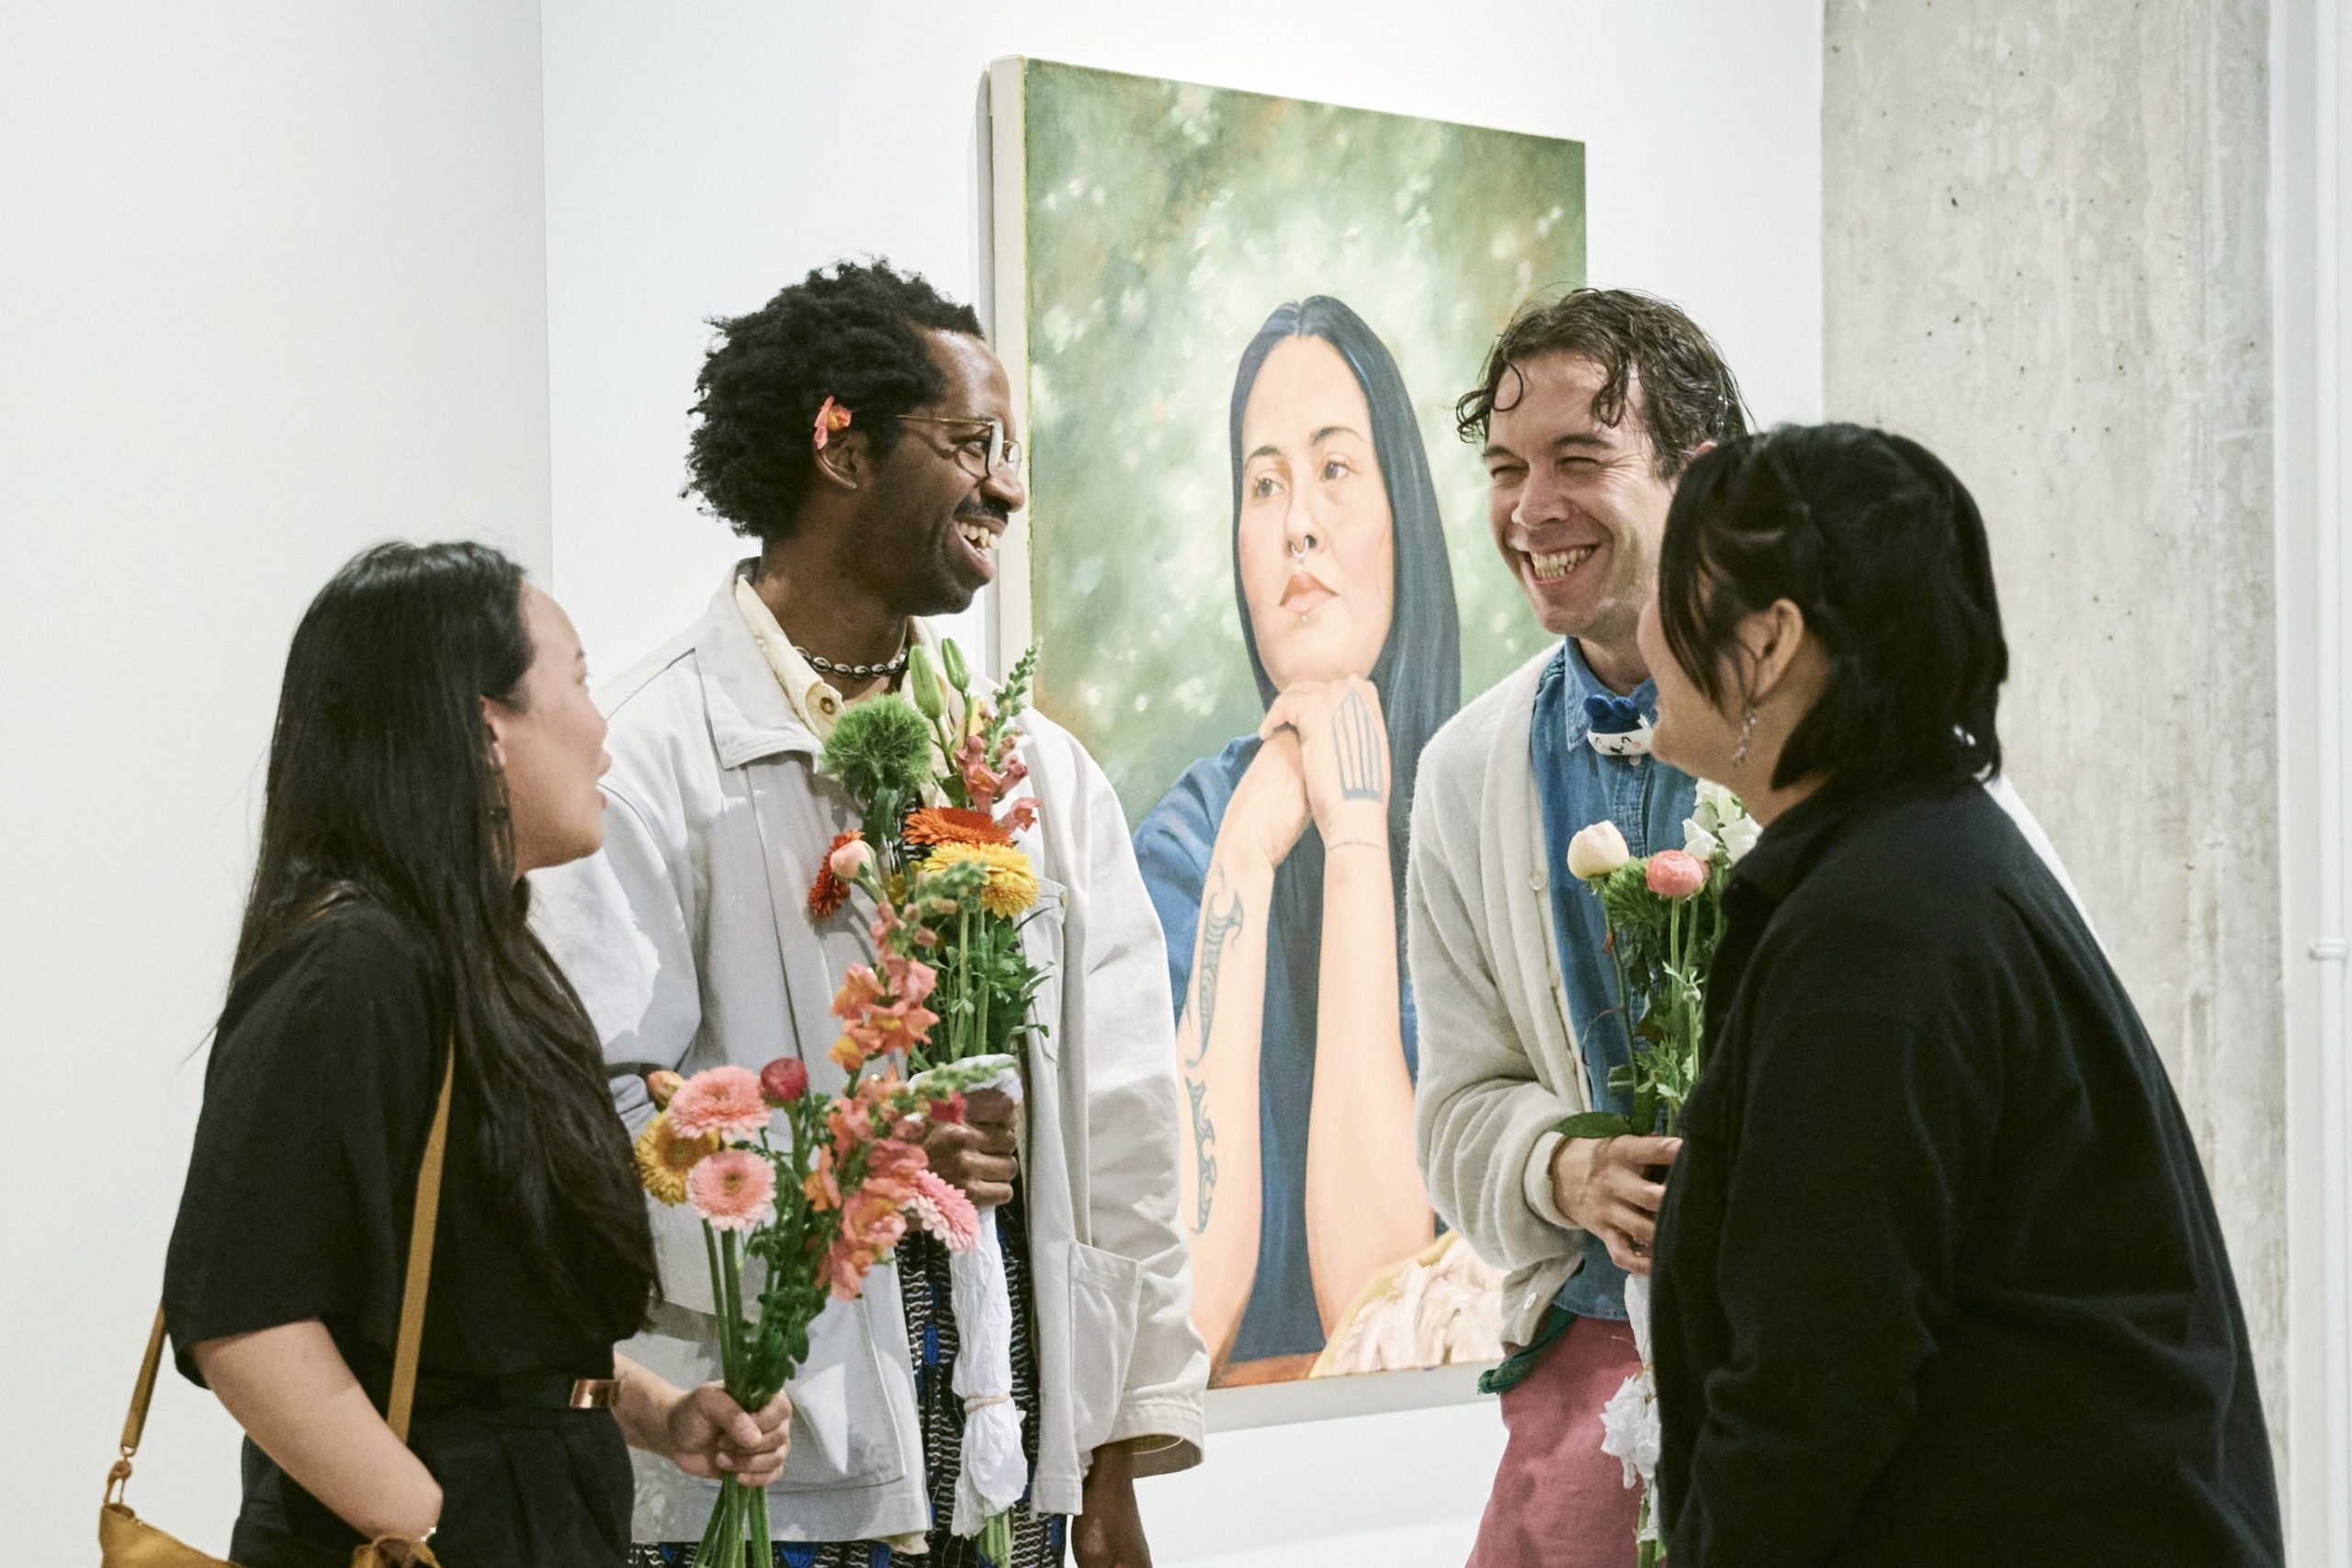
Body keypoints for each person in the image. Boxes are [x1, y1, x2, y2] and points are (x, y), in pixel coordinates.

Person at [530, 260, 1205, 1568]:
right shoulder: (647, 758)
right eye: (971, 445)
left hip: (1012, 1471)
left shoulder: (1039, 774)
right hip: (776, 1472)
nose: (1006, 488)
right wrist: (859, 1166)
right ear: (841, 447)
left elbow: (1126, 1126)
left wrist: (1118, 1442)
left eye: (1008, 452)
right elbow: (584, 1120)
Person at [1638, 423, 2284, 1564]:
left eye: (1667, 588)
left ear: (1770, 641)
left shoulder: (1873, 931)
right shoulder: (1925, 862)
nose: (1644, 629)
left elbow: (1807, 1398)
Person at [164, 541, 790, 1568]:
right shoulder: (353, 963)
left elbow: (490, 1322)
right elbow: (244, 1319)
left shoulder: (484, 957)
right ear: (485, 727)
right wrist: (428, 1524)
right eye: (577, 680)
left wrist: (656, 1413)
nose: (601, 728)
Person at [1408, 289, 1747, 1567]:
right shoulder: (1464, 770)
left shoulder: (1822, 724)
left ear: (1693, 477)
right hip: (1582, 1372)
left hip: (1805, 1366)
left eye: (1579, 459)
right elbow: (1453, 1108)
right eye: (1506, 469)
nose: (1530, 509)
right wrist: (1563, 1169)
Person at [1133, 296, 1464, 1379]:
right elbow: (1189, 1317)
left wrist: (1356, 838)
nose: (1297, 526)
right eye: (1264, 484)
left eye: (1334, 469)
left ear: (1402, 509)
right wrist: (1244, 857)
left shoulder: (1479, 815)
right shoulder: (1190, 836)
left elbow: (1375, 1312)